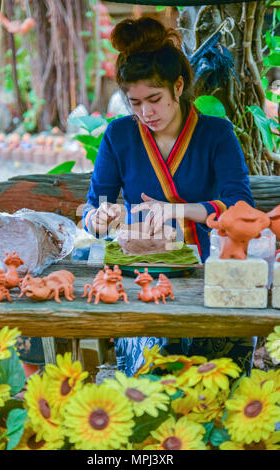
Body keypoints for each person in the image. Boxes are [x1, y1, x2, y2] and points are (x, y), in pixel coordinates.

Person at [82, 16, 256, 377]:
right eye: (134, 103)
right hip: (141, 276)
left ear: (178, 87)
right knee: (152, 376)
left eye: (155, 99)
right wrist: (98, 218)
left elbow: (242, 206)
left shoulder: (217, 134)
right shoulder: (119, 136)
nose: (145, 113)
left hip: (211, 272)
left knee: (217, 380)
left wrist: (179, 211)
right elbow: (94, 203)